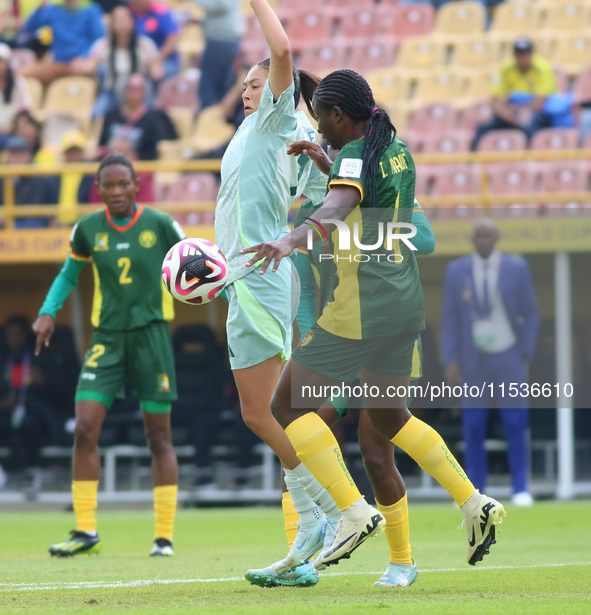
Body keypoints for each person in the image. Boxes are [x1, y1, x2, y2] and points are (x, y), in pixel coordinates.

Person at [241, 69, 507, 574]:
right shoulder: (394, 145)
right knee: (390, 419)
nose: (320, 130)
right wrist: (331, 162)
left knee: (283, 409)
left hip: (361, 307)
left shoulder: (354, 154)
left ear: (340, 114)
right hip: (404, 306)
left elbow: (341, 203)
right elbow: (368, 196)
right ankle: (474, 502)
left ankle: (353, 511)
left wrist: (290, 239)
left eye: (322, 121)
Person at [214, 0, 340, 588]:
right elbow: (319, 188)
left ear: (278, 91)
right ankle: (315, 529)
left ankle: (325, 515)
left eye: (256, 83)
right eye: (243, 85)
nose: (247, 92)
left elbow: (284, 50)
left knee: (263, 411)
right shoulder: (272, 131)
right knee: (269, 410)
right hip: (251, 275)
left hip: (262, 277)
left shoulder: (272, 120)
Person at [33, 153, 186, 557]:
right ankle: (85, 531)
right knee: (84, 429)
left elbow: (195, 262)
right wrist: (48, 310)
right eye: (108, 185)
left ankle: (164, 537)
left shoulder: (160, 224)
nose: (116, 191)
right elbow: (69, 272)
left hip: (151, 336)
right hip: (107, 338)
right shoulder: (87, 228)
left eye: (124, 184)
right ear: (97, 190)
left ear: (137, 185)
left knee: (158, 437)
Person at [441, 218, 540, 507]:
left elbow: (531, 312)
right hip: (473, 359)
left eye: (488, 236)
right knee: (473, 425)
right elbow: (448, 318)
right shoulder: (456, 270)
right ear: (473, 240)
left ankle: (520, 487)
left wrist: (526, 352)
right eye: (479, 236)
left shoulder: (516, 268)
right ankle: (474, 492)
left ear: (496, 237)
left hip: (508, 354)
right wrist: (451, 359)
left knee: (515, 422)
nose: (484, 241)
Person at [0, 315, 67, 480]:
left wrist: (44, 381)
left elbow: (62, 392)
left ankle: (32, 469)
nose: (14, 339)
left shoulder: (41, 357)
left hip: (34, 411)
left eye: (19, 334)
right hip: (5, 411)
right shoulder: (2, 358)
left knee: (31, 424)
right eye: (10, 334)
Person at [472, 38, 557, 149]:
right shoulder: (505, 69)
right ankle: (472, 161)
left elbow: (539, 103)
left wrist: (516, 111)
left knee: (528, 121)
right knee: (484, 124)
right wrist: (509, 115)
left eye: (525, 53)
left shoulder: (543, 69)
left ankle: (529, 160)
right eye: (518, 53)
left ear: (531, 53)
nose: (522, 57)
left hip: (537, 112)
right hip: (512, 112)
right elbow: (493, 100)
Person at [82, 5, 163, 117]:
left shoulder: (145, 45)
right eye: (118, 20)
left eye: (125, 19)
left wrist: (152, 67)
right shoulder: (102, 46)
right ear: (112, 24)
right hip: (112, 92)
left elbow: (157, 73)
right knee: (96, 114)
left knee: (156, 115)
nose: (122, 23)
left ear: (133, 22)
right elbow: (89, 68)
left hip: (139, 92)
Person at [18, 0, 104, 85]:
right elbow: (29, 28)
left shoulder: (91, 9)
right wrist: (40, 9)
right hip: (57, 65)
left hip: (81, 65)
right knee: (19, 74)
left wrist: (86, 58)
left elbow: (99, 40)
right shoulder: (54, 9)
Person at [98, 73, 177, 160]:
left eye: (139, 89)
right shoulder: (111, 115)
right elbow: (101, 145)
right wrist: (112, 149)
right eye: (131, 88)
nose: (135, 93)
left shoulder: (154, 118)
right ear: (123, 90)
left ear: (145, 91)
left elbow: (154, 151)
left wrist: (132, 153)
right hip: (112, 163)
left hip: (140, 167)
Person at [192, 0, 245, 109]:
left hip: (222, 39)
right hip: (224, 40)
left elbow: (223, 5)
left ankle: (209, 119)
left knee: (210, 88)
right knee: (222, 87)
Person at [0, 135, 54, 228]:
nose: (16, 158)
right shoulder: (3, 177)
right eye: (13, 153)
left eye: (20, 153)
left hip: (34, 226)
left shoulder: (40, 178)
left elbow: (48, 211)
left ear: (29, 155)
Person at [129, 0, 180, 79]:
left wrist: (158, 59)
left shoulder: (161, 12)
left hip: (164, 60)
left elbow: (173, 39)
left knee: (158, 73)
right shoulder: (129, 13)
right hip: (136, 60)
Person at [0, 43, 31, 145]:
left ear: (7, 63)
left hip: (12, 132)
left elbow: (25, 108)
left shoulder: (18, 83)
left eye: (1, 61)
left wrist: (13, 127)